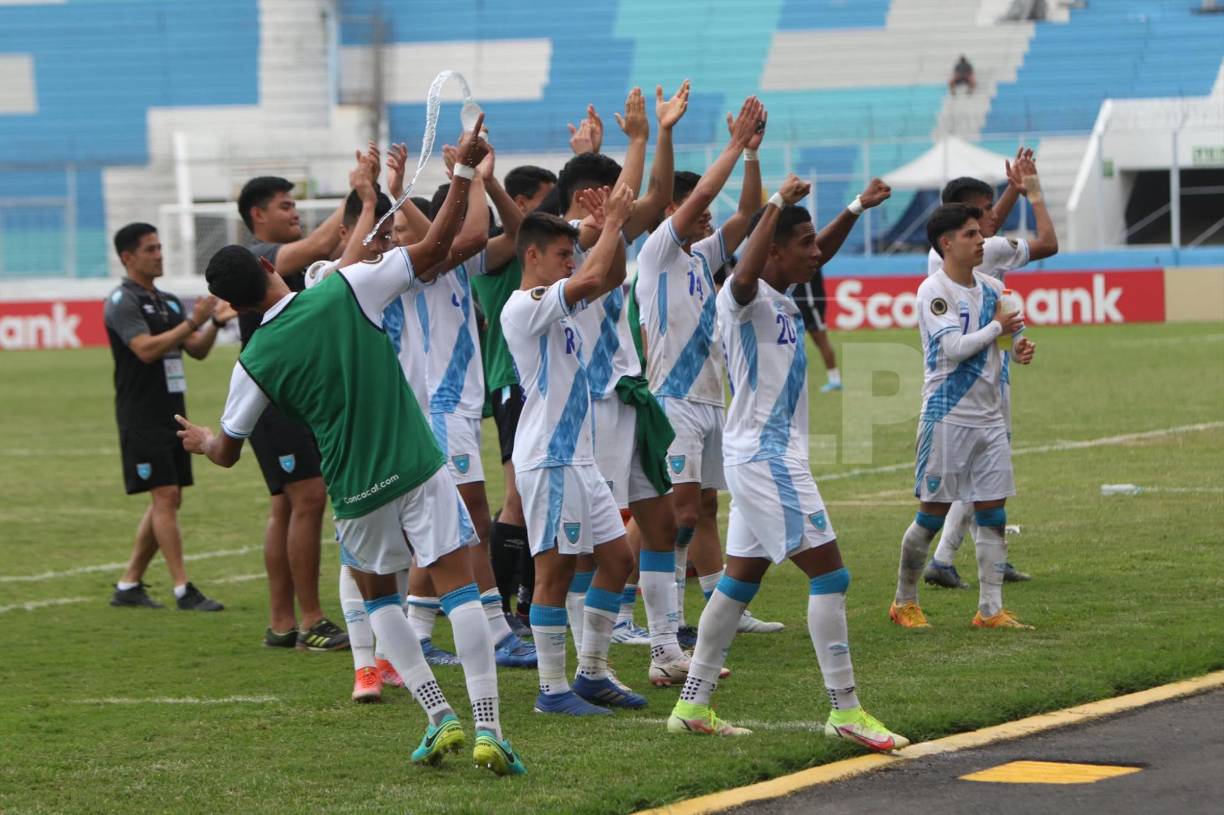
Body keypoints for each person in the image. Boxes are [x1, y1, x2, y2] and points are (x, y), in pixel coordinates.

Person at [177, 122, 526, 775]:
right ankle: (488, 728)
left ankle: (437, 714)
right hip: (415, 460)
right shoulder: (343, 288)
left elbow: (225, 452)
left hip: (353, 482)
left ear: (230, 300)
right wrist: (459, 176)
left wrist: (200, 439)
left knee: (379, 596)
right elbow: (441, 243)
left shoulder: (252, 359)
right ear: (265, 266)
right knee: (457, 587)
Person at [667, 177, 908, 752]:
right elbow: (749, 271)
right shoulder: (740, 296)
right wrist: (772, 203)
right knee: (831, 575)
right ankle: (845, 710)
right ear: (773, 248)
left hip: (762, 456)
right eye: (802, 244)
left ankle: (693, 704)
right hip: (766, 458)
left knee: (736, 584)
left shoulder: (780, 289)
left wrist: (854, 208)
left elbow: (807, 245)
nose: (816, 252)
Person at [634, 96, 783, 642]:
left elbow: (747, 215)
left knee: (706, 507)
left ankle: (722, 607)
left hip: (710, 398)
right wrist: (732, 144)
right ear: (676, 214)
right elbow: (704, 194)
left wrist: (751, 157)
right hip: (672, 400)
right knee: (678, 516)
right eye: (698, 214)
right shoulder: (657, 252)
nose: (709, 217)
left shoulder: (700, 258)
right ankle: (663, 624)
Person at [501, 190, 650, 716]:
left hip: (579, 459)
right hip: (550, 458)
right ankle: (552, 691)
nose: (573, 261)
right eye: (563, 253)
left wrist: (618, 231)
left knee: (617, 559)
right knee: (555, 572)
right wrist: (610, 224)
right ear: (532, 256)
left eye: (574, 252)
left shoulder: (564, 302)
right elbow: (591, 278)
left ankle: (591, 673)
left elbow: (609, 278)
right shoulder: (524, 306)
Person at [889, 203, 1037, 632]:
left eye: (980, 234)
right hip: (947, 417)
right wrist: (997, 330)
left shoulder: (994, 288)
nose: (981, 241)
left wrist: (1020, 348)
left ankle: (990, 609)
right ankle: (905, 601)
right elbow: (953, 348)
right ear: (946, 242)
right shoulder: (933, 291)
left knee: (993, 512)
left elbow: (1014, 336)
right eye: (972, 234)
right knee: (931, 515)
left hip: (989, 416)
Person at [921, 150, 1057, 591]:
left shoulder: (959, 252)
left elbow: (991, 226)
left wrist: (1013, 190)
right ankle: (941, 559)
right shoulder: (980, 252)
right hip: (970, 380)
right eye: (979, 215)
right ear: (955, 226)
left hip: (988, 364)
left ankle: (986, 563)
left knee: (987, 473)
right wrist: (1029, 191)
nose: (989, 221)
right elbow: (1049, 243)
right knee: (978, 470)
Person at [236, 169, 355, 651]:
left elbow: (342, 250)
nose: (295, 213)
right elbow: (326, 239)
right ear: (257, 216)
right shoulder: (258, 257)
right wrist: (360, 188)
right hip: (275, 401)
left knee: (286, 505)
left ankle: (282, 624)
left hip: (292, 398)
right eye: (285, 206)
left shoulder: (289, 260)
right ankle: (312, 620)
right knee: (308, 500)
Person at [105, 222, 226, 612]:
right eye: (150, 249)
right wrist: (193, 322)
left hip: (172, 412)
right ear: (128, 257)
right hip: (140, 413)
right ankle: (182, 588)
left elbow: (197, 350)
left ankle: (128, 585)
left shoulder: (170, 301)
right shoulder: (122, 302)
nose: (159, 254)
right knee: (166, 496)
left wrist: (214, 322)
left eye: (160, 247)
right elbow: (144, 349)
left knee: (166, 499)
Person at [470, 163, 557, 636]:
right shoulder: (496, 254)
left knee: (539, 498)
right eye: (546, 199)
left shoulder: (538, 248)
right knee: (518, 499)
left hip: (543, 384)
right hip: (513, 381)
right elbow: (521, 230)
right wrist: (488, 181)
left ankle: (526, 603)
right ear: (522, 204)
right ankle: (500, 611)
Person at [791, 178, 894, 393]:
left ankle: (835, 378)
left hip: (810, 301)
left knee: (820, 339)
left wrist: (858, 205)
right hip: (801, 301)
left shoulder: (810, 256)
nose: (814, 250)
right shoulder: (798, 259)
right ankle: (824, 378)